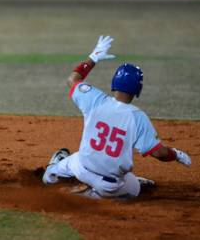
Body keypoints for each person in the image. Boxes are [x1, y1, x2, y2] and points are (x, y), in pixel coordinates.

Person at [42, 35, 191, 199]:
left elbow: (73, 79)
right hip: (110, 184)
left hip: (81, 167)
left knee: (49, 177)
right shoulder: (138, 118)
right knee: (133, 190)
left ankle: (63, 178)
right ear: (137, 90)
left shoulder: (95, 99)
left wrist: (94, 57)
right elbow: (160, 153)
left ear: (114, 82)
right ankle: (94, 194)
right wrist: (177, 154)